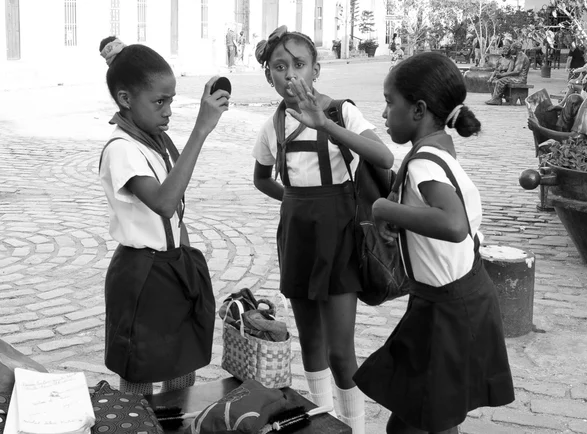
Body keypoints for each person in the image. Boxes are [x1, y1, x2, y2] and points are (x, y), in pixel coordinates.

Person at [353, 52, 515, 434]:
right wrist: (404, 219)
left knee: (423, 418)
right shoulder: (438, 146)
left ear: (419, 110)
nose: (384, 113)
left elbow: (454, 223)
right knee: (427, 415)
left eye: (390, 102)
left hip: (448, 308)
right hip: (455, 298)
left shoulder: (424, 161)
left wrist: (382, 208)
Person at [251, 25, 394, 434]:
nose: (290, 74)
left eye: (299, 64)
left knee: (340, 350)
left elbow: (383, 156)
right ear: (269, 76)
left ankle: (355, 426)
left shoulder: (341, 112)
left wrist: (325, 125)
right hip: (298, 236)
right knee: (311, 343)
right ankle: (321, 424)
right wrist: (296, 203)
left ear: (316, 69)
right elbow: (261, 178)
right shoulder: (271, 127)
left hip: (340, 237)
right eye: (280, 66)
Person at [97, 36, 230, 394]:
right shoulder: (121, 149)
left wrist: (187, 264)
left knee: (181, 363)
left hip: (172, 266)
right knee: (139, 369)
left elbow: (175, 216)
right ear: (125, 99)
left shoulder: (151, 141)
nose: (168, 111)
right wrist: (201, 129)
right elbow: (164, 203)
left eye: (170, 100)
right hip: (141, 275)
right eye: (159, 101)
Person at [528, 78, 587, 142]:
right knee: (574, 99)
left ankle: (556, 135)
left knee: (546, 149)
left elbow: (578, 137)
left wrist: (539, 129)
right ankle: (557, 130)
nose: (584, 82)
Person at [485, 41, 530, 105]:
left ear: (515, 49)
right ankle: (496, 98)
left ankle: (497, 99)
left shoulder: (521, 56)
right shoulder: (518, 56)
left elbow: (517, 71)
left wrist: (502, 75)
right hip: (517, 77)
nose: (511, 50)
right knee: (497, 79)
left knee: (501, 81)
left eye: (512, 49)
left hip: (520, 79)